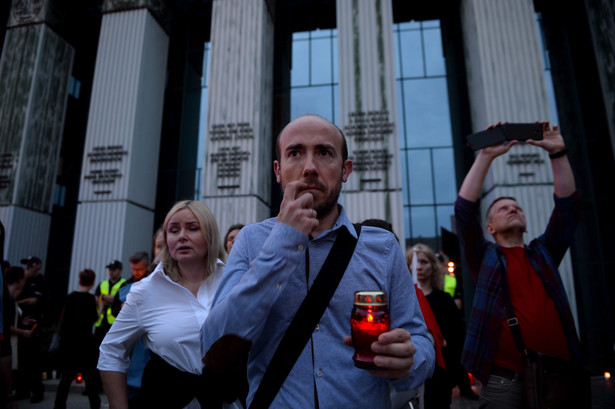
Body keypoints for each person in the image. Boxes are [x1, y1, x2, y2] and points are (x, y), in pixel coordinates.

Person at [202, 114, 435, 408]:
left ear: (345, 170)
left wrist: (409, 359)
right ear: (278, 170)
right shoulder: (250, 241)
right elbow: (212, 347)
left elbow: (422, 342)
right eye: (295, 153)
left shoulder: (383, 247)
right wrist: (282, 242)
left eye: (324, 153)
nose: (310, 167)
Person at [454, 122, 585, 407]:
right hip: (504, 380)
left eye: (517, 208)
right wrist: (486, 155)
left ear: (525, 223)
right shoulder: (485, 257)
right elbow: (464, 211)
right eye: (504, 208)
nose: (513, 209)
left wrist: (558, 153)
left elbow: (568, 208)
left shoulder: (543, 253)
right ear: (490, 227)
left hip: (560, 374)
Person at [98, 200, 240, 409]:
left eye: (192, 228)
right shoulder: (144, 291)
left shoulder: (235, 281)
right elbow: (111, 350)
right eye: (173, 230)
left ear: (210, 235)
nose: (182, 236)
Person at [408, 244, 467, 408]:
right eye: (414, 262)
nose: (419, 267)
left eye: (424, 262)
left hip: (440, 371)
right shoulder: (405, 300)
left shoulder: (444, 299)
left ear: (433, 266)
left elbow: (457, 335)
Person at [53, 269, 101, 409]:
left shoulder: (70, 297)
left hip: (68, 344)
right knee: (90, 378)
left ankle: (59, 405)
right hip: (85, 344)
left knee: (66, 379)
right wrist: (101, 307)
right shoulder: (91, 299)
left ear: (80, 280)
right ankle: (95, 404)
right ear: (92, 282)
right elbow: (94, 319)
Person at [15, 256, 49, 403]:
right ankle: (22, 390)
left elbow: (34, 300)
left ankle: (37, 391)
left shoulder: (41, 282)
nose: (28, 267)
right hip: (19, 325)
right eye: (26, 264)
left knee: (34, 360)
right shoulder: (22, 281)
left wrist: (16, 302)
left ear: (39, 265)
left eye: (31, 264)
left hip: (35, 324)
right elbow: (11, 296)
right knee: (21, 359)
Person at [94, 260, 126, 348]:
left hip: (115, 324)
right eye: (109, 269)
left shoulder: (124, 283)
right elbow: (96, 299)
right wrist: (110, 299)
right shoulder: (102, 284)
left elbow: (119, 299)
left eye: (113, 269)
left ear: (120, 270)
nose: (111, 271)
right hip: (100, 324)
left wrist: (103, 296)